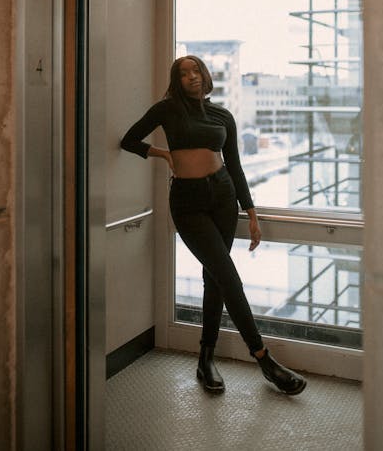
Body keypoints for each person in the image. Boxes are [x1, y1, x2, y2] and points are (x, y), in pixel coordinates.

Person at [121, 55, 306, 396]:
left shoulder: (224, 115)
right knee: (227, 274)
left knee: (216, 279)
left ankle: (205, 359)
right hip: (188, 203)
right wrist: (164, 155)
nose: (191, 77)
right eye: (183, 73)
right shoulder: (167, 110)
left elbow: (234, 164)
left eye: (196, 71)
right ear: (176, 80)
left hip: (223, 196)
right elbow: (129, 140)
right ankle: (264, 359)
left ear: (205, 76)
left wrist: (250, 214)